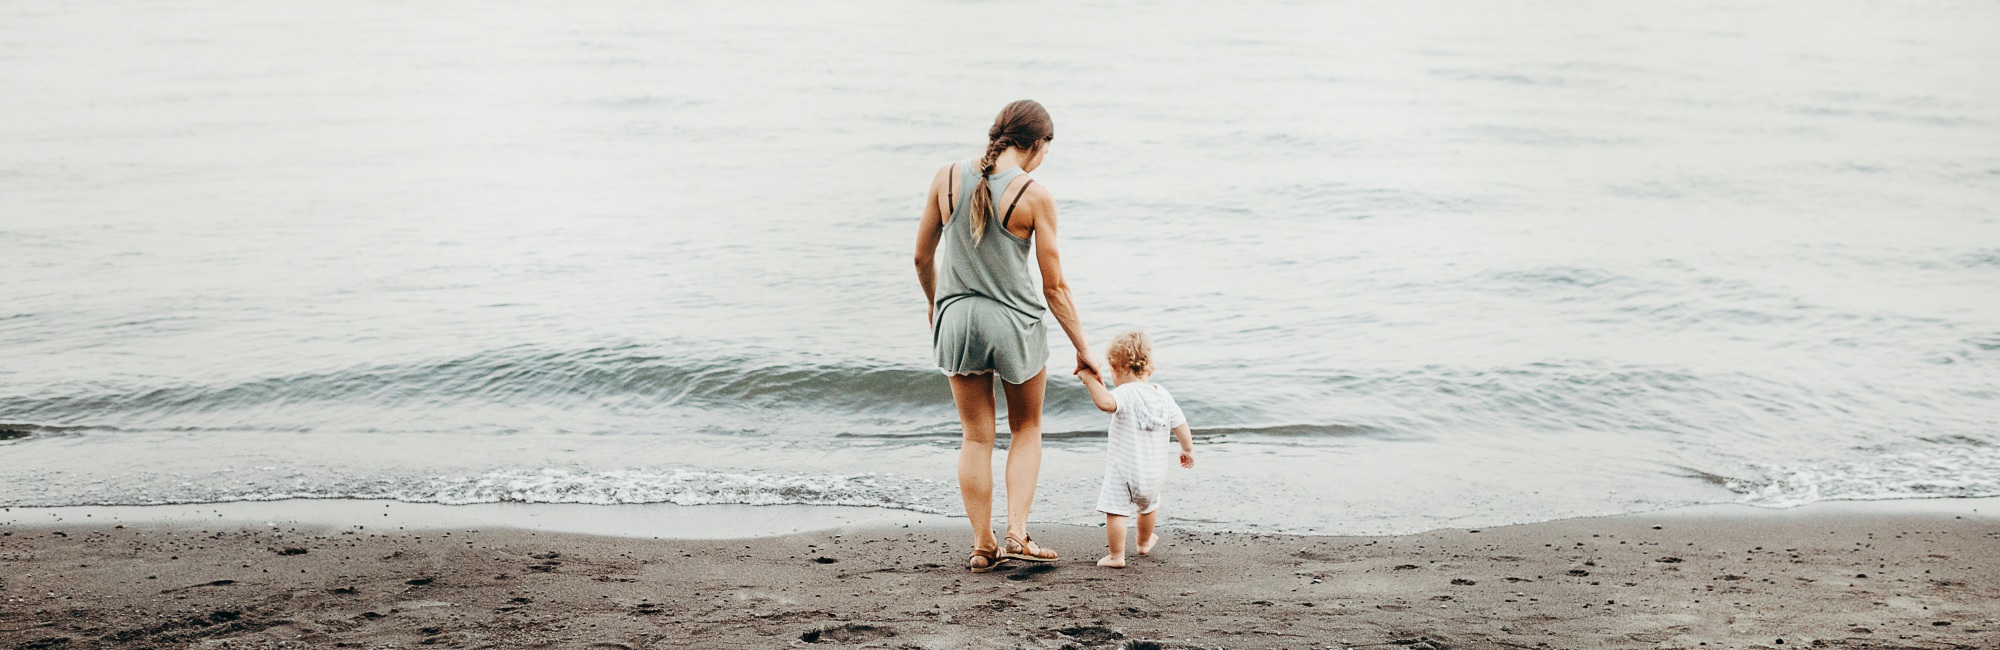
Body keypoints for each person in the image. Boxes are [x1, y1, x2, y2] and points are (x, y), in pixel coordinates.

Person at [914, 99, 1107, 573]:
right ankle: (1017, 531)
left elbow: (921, 258)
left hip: (957, 319)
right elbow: (1054, 285)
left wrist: (938, 307)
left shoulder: (946, 177)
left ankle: (983, 545)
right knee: (1026, 429)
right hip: (1014, 323)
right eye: (1046, 149)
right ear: (1035, 144)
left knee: (976, 438)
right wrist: (1084, 348)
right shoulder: (1034, 195)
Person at [1076, 331, 1195, 569]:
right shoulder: (1163, 395)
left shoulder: (1126, 393)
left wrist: (1088, 379)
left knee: (1116, 511)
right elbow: (1180, 424)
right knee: (1148, 507)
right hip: (1154, 471)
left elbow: (1106, 403)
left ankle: (1116, 556)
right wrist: (1187, 449)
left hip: (1125, 470)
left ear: (1116, 368)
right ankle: (1143, 543)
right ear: (1148, 368)